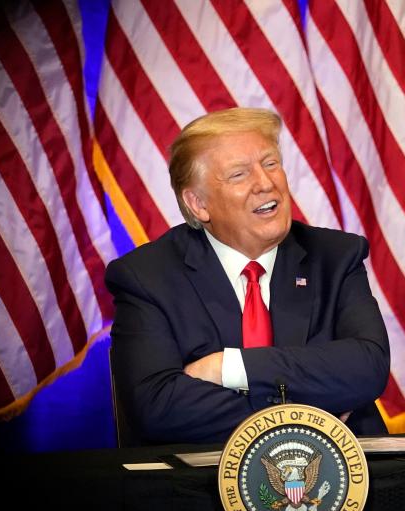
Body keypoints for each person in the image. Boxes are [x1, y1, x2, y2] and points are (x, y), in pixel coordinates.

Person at [105, 107, 390, 444]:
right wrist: (311, 412)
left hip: (342, 483)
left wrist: (230, 368)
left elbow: (367, 367)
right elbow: (157, 407)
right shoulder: (147, 277)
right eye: (239, 174)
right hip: (204, 487)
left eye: (270, 164)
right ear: (198, 204)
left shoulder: (335, 257)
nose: (266, 183)